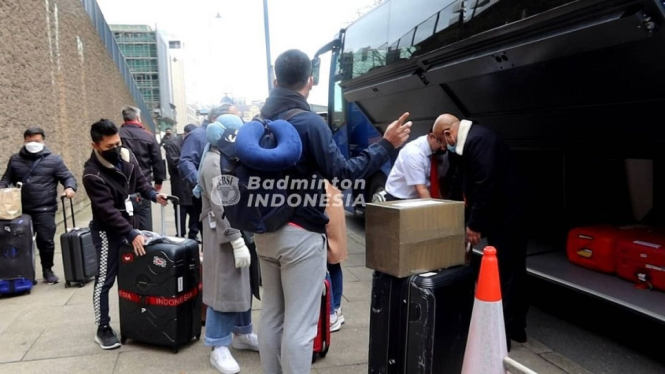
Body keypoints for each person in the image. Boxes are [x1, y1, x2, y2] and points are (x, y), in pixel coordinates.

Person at [253, 49, 411, 374]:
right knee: (300, 324)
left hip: (263, 231)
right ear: (310, 81)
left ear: (274, 81)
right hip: (300, 235)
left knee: (271, 315)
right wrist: (385, 144)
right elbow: (342, 174)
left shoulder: (258, 123)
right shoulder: (309, 123)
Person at [438, 113, 528, 349]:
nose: (443, 147)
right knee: (512, 270)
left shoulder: (478, 141)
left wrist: (475, 225)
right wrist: (454, 214)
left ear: (449, 134)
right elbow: (460, 182)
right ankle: (517, 328)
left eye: (442, 141)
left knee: (507, 271)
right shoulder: (466, 144)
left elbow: (486, 184)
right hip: (501, 212)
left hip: (510, 214)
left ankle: (504, 334)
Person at [82, 119, 168, 350]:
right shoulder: (92, 174)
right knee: (104, 280)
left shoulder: (127, 156)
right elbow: (107, 211)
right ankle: (103, 328)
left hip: (131, 226)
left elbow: (140, 181)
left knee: (137, 277)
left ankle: (139, 319)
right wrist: (131, 233)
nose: (115, 149)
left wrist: (154, 195)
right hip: (107, 232)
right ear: (96, 145)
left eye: (117, 143)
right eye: (109, 146)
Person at [199, 116, 259, 374]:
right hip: (222, 232)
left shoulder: (228, 158)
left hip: (238, 228)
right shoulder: (213, 162)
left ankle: (242, 332)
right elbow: (220, 204)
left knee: (242, 284)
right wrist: (235, 239)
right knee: (223, 288)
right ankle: (217, 345)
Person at [0, 127, 77, 284]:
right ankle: (26, 273)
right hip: (20, 210)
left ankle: (47, 270)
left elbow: (67, 177)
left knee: (46, 241)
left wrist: (69, 188)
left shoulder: (54, 160)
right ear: (24, 141)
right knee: (21, 243)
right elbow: (6, 179)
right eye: (30, 141)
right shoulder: (15, 159)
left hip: (45, 208)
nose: (33, 144)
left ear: (43, 141)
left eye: (37, 141)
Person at [178, 103, 238, 239]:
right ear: (215, 119)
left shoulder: (229, 136)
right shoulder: (197, 135)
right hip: (208, 198)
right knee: (212, 238)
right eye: (231, 118)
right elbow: (185, 162)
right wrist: (202, 184)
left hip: (227, 193)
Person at [118, 106, 166, 231]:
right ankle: (145, 247)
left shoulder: (118, 136)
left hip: (122, 186)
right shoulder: (148, 136)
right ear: (138, 118)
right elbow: (157, 161)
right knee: (145, 223)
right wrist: (158, 182)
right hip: (144, 185)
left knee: (124, 221)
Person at [383, 122, 445, 201]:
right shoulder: (414, 153)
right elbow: (422, 190)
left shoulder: (433, 149)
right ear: (432, 137)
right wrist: (434, 211)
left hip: (418, 197)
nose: (443, 148)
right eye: (441, 143)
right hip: (401, 199)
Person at [162, 124, 199, 239]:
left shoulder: (194, 144)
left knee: (195, 213)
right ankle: (180, 235)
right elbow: (174, 164)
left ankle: (193, 235)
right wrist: (190, 163)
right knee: (180, 213)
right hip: (180, 186)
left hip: (193, 186)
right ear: (185, 134)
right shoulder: (173, 145)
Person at [323, 180, 348, 332]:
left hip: (326, 207)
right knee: (334, 263)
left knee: (323, 266)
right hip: (333, 200)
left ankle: (331, 314)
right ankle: (336, 308)